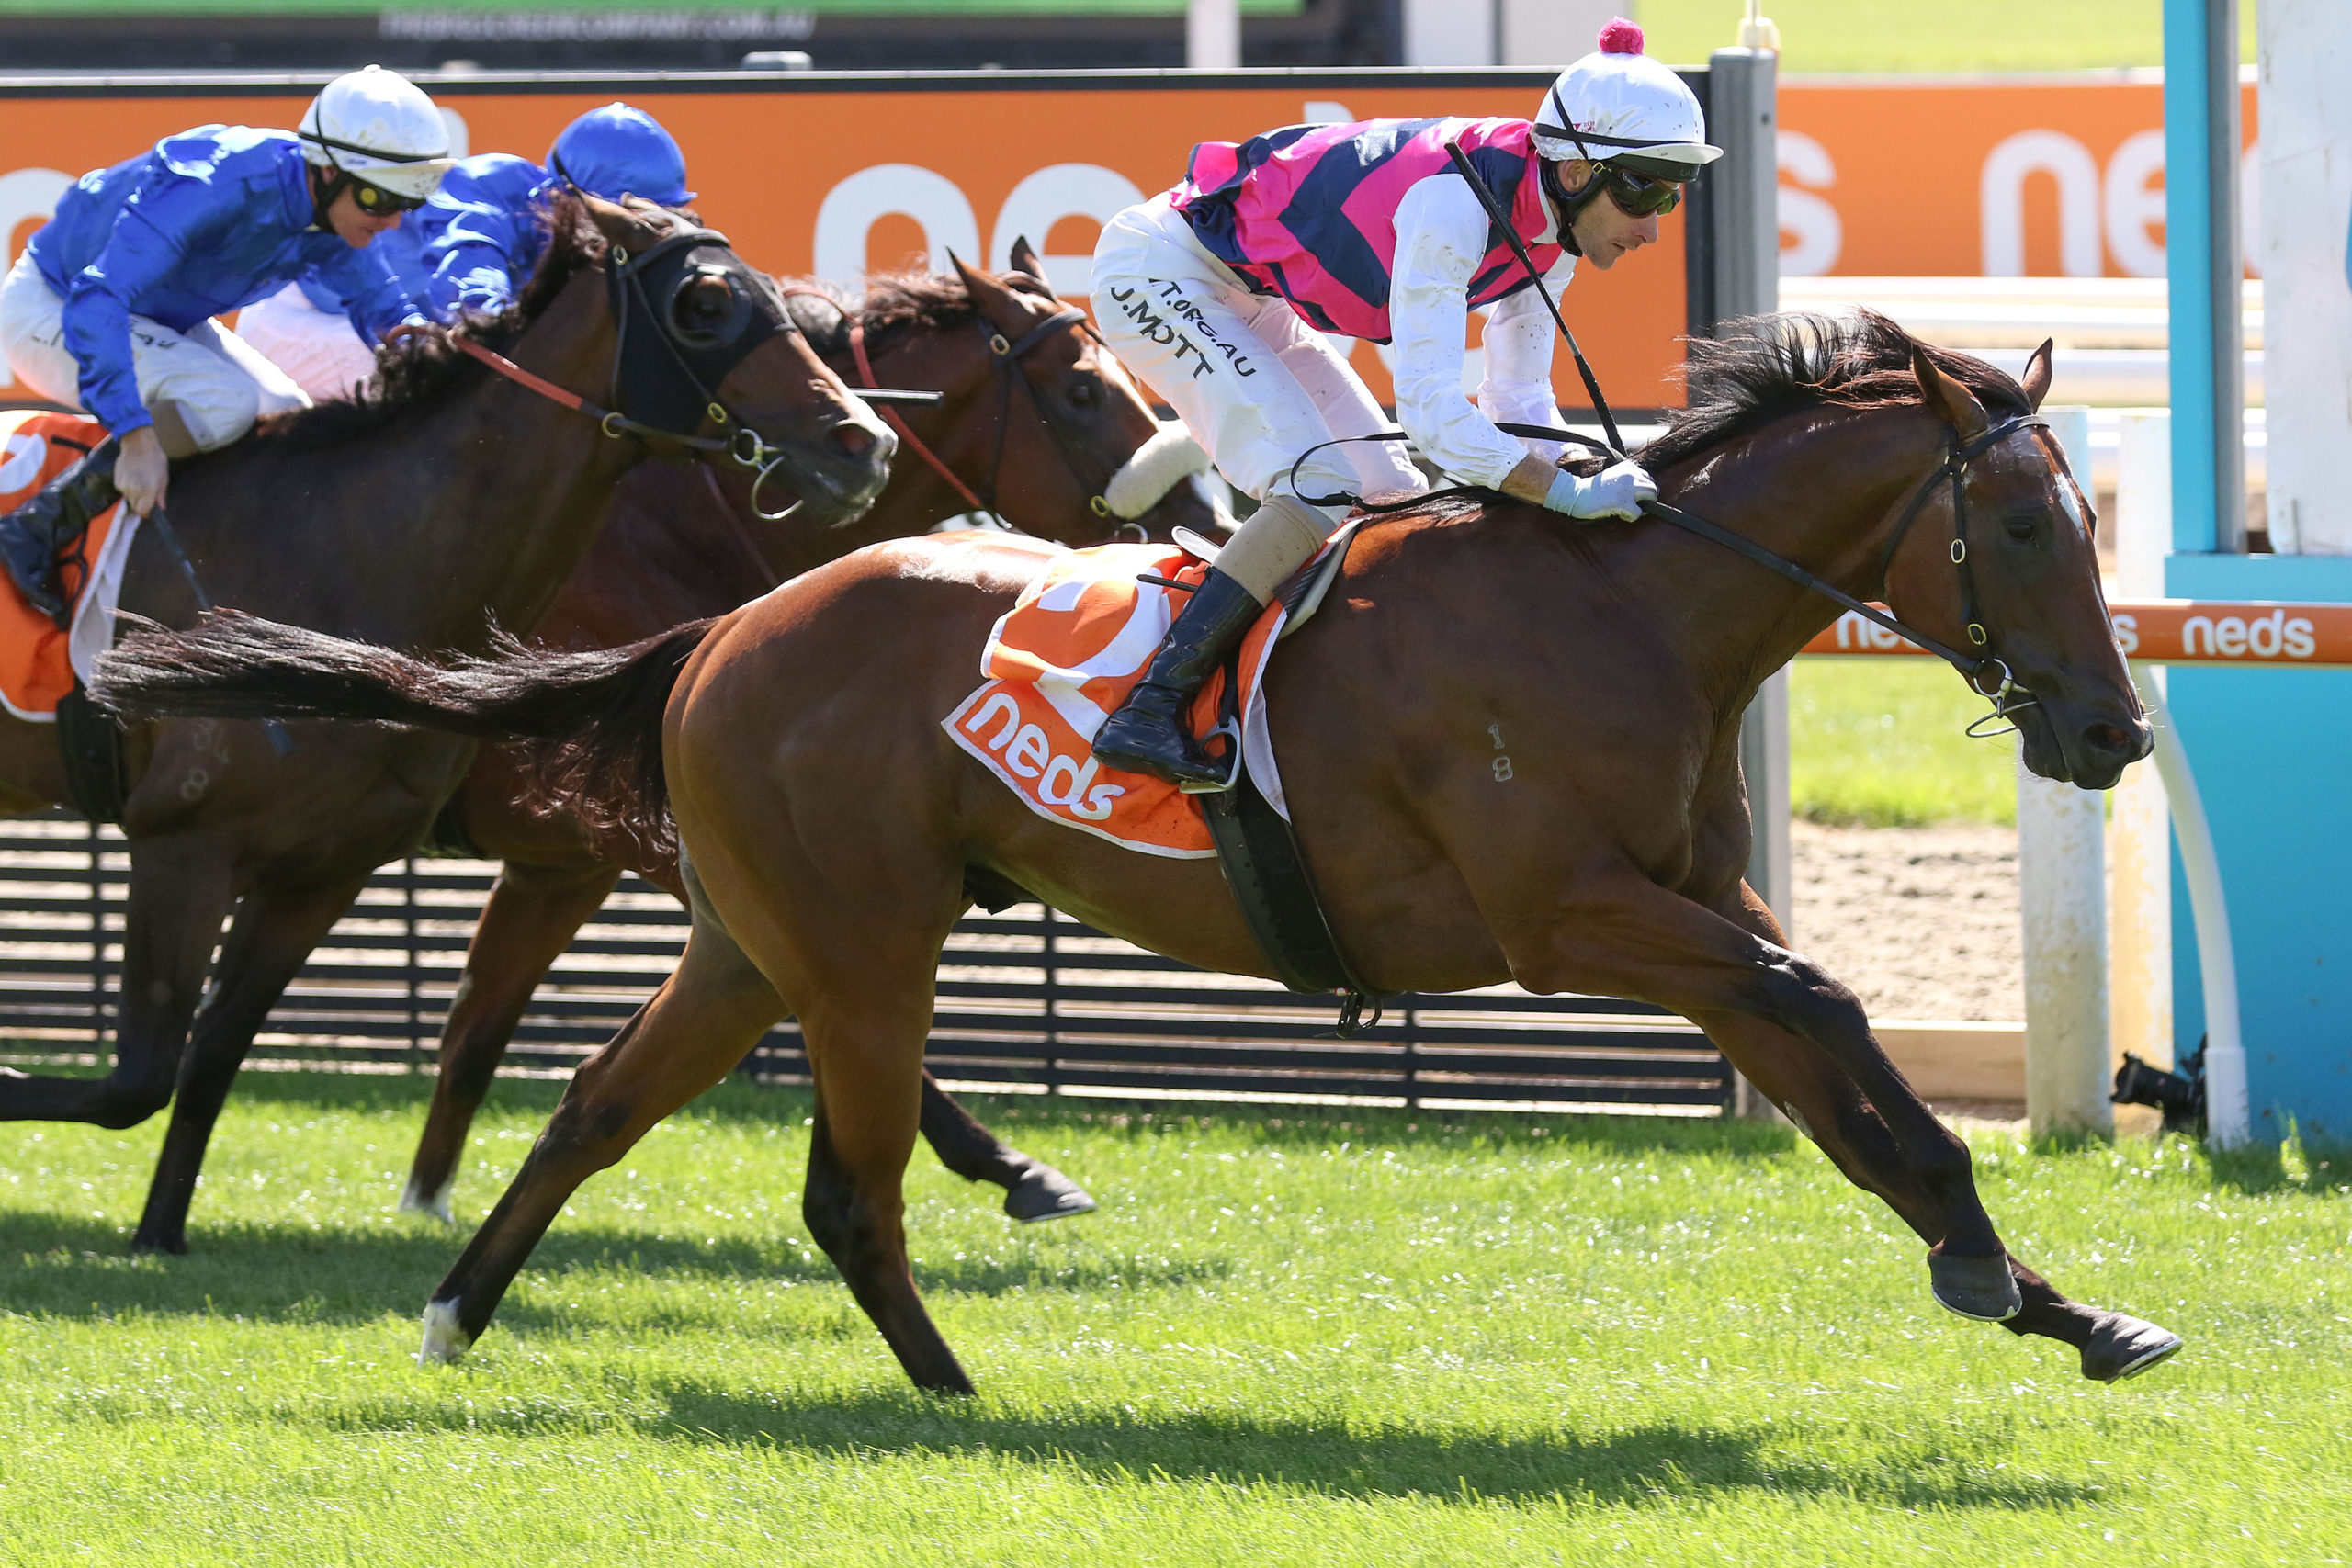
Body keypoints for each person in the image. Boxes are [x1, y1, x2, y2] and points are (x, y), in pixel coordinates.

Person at [1087, 18, 1718, 786]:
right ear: (1576, 170)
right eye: (1643, 189)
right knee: (1318, 486)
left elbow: (1517, 397)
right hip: (1162, 271)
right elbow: (1432, 414)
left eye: (1672, 196)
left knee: (1394, 495)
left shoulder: (1553, 228)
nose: (1653, 227)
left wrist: (1590, 476)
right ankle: (1151, 704)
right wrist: (1563, 493)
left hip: (1252, 297)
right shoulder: (1454, 203)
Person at [0, 64, 452, 624]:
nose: (390, 221)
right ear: (326, 170)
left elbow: (385, 309)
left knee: (287, 414)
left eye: (405, 205)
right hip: (57, 303)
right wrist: (136, 436)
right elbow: (100, 298)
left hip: (160, 318)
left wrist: (430, 348)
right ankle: (38, 524)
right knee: (226, 403)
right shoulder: (218, 180)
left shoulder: (329, 211)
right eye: (377, 199)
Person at [235, 102, 696, 403]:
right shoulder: (488, 187)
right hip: (305, 322)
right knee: (456, 389)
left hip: (376, 321)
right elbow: (467, 282)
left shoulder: (569, 227)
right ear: (571, 196)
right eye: (621, 216)